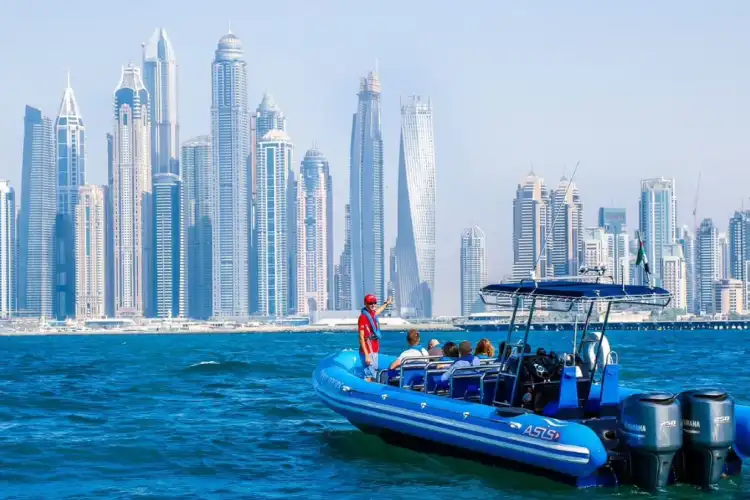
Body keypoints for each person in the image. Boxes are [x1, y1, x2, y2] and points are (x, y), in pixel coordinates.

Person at [358, 294, 392, 381]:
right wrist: (366, 355)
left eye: (374, 302)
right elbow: (361, 337)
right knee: (369, 375)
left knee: (373, 375)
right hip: (368, 351)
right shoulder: (363, 317)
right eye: (370, 303)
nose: (373, 305)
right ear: (365, 304)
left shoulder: (372, 314)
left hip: (374, 349)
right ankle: (365, 392)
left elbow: (379, 310)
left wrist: (386, 304)